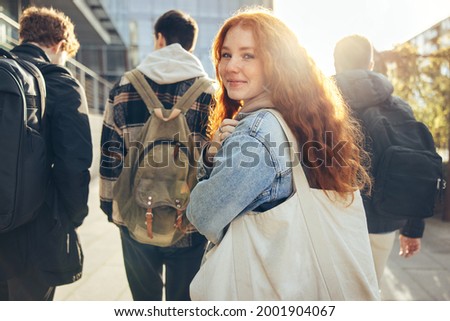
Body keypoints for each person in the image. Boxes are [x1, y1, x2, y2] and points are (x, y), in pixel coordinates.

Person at [186, 7, 379, 300]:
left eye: (248, 55)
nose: (230, 67)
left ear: (276, 62)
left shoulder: (257, 132)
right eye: (226, 54)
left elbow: (203, 215)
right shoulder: (300, 117)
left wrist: (209, 158)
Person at [99, 10, 214, 301]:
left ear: (159, 39)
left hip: (136, 214)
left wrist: (109, 204)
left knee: (144, 303)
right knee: (183, 303)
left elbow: (110, 152)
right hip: (188, 219)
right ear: (190, 44)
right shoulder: (209, 91)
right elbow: (215, 161)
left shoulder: (125, 85)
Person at [0, 6, 92, 300]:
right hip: (35, 232)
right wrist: (72, 217)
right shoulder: (63, 83)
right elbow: (74, 165)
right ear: (61, 45)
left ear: (23, 36)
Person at [333, 34, 424, 285]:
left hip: (331, 220)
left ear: (336, 64)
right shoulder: (400, 107)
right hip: (383, 219)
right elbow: (416, 166)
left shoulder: (320, 105)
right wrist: (412, 228)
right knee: (369, 293)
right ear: (370, 65)